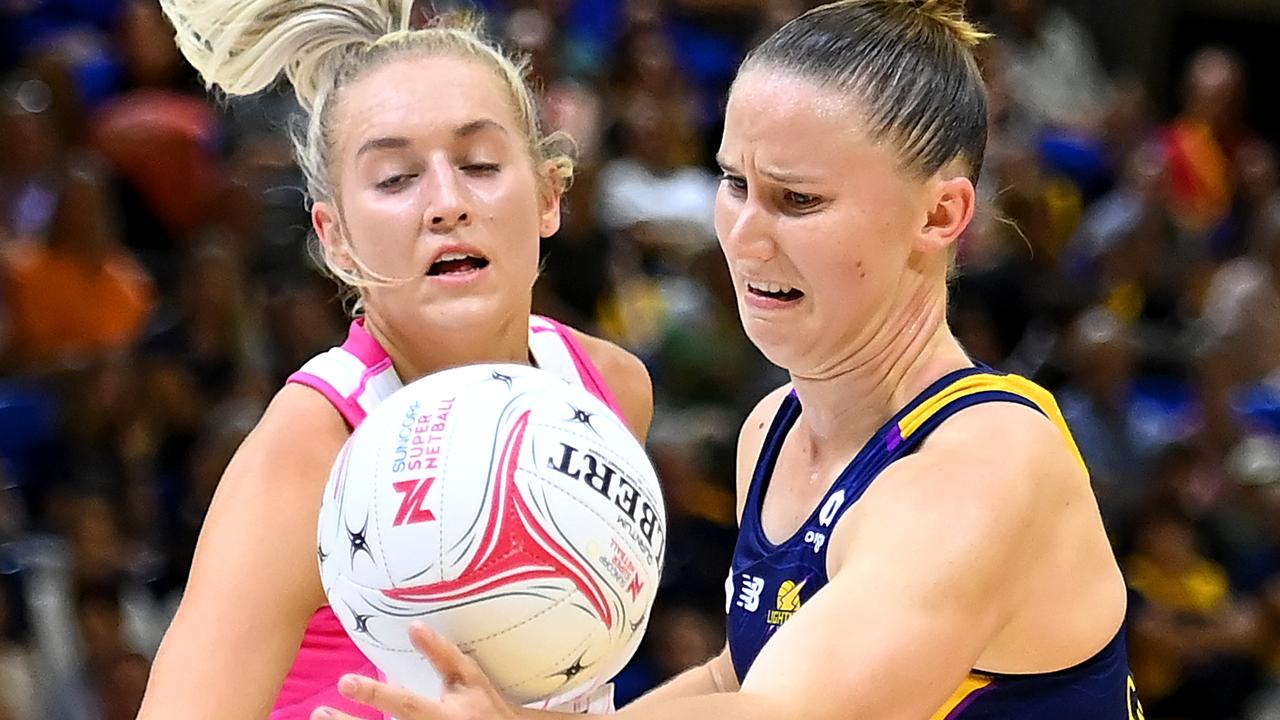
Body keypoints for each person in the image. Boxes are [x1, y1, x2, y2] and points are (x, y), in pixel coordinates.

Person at [314, 2, 1142, 719]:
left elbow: (783, 714)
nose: (743, 235)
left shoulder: (982, 465)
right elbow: (739, 675)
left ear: (941, 214)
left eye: (798, 199)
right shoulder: (773, 433)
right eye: (734, 183)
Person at [134, 1, 653, 718]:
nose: (445, 203)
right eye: (395, 179)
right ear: (336, 238)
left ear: (548, 194)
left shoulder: (614, 391)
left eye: (478, 164)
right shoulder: (308, 451)